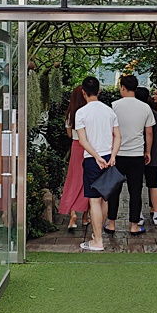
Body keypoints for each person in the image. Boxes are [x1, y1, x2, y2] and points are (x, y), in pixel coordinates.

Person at [75, 76, 121, 251]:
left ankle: (98, 240)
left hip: (92, 159)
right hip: (108, 157)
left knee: (94, 201)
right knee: (104, 198)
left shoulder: (81, 113)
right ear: (99, 91)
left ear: (83, 92)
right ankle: (97, 235)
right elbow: (118, 136)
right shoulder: (109, 111)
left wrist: (96, 156)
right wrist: (113, 155)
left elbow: (82, 140)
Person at [106, 75, 154, 236]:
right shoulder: (145, 107)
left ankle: (111, 223)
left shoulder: (114, 106)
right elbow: (149, 132)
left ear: (122, 87)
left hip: (117, 154)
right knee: (135, 191)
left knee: (114, 190)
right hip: (136, 154)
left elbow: (109, 130)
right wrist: (147, 151)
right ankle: (134, 225)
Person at [58, 85, 90, 230]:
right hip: (89, 147)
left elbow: (70, 134)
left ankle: (72, 213)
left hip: (76, 146)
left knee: (73, 179)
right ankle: (85, 216)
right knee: (87, 180)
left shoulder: (71, 113)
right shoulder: (89, 111)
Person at [135, 86, 157, 226]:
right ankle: (156, 213)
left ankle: (139, 214)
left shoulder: (135, 114)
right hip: (153, 156)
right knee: (153, 184)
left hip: (136, 155)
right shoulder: (156, 115)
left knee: (137, 186)